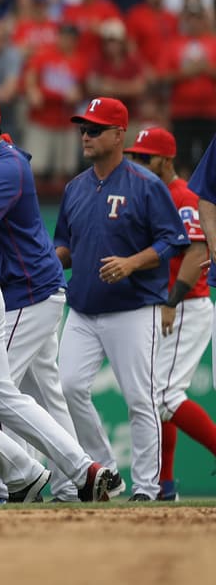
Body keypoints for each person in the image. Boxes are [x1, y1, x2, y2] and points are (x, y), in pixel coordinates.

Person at [0, 91, 112, 503]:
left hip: (24, 293)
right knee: (46, 396)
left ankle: (6, 488)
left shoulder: (4, 165)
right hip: (33, 290)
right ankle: (78, 484)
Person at [55, 97, 189, 502]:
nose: (85, 135)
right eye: (83, 128)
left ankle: (147, 489)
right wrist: (50, 260)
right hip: (82, 307)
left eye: (94, 129)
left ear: (119, 135)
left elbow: (173, 240)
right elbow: (64, 241)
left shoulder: (145, 184)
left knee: (140, 398)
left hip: (133, 308)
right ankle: (106, 472)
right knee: (68, 387)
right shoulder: (75, 187)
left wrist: (132, 263)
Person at [124, 127, 216, 501]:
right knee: (157, 397)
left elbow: (198, 254)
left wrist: (171, 303)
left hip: (186, 305)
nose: (138, 163)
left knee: (162, 394)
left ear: (165, 160)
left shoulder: (183, 196)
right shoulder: (152, 193)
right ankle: (164, 485)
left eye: (145, 157)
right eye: (135, 156)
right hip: (169, 306)